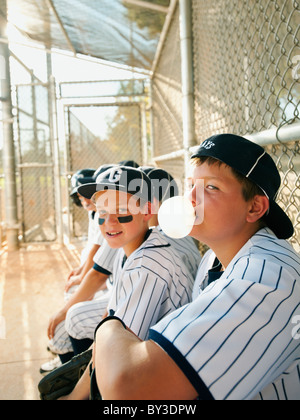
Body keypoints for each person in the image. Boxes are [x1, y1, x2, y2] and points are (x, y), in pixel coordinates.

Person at [92, 134, 300, 400]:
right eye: (190, 185)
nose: (190, 198)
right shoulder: (213, 259)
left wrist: (110, 325)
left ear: (254, 207)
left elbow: (129, 389)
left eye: (211, 187)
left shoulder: (266, 278)